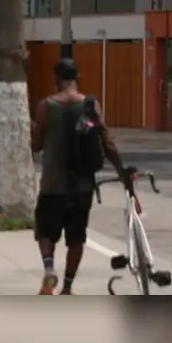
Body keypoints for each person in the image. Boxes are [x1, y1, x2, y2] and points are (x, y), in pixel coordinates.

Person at [31, 58, 131, 295]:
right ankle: (66, 287)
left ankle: (48, 269)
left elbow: (35, 146)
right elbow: (107, 142)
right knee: (76, 238)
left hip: (52, 183)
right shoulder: (91, 105)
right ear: (77, 77)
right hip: (82, 186)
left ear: (56, 78)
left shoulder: (46, 106)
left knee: (46, 231)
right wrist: (121, 171)